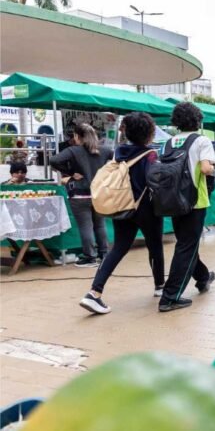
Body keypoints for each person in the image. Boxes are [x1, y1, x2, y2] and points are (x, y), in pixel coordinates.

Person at [79, 113, 164, 315]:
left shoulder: (119, 152)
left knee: (117, 249)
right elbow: (154, 182)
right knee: (155, 245)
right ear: (149, 133)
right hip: (145, 208)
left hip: (122, 206)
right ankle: (160, 286)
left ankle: (94, 292)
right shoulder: (150, 155)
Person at [159, 102, 215, 313]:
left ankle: (203, 278)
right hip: (195, 200)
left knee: (186, 243)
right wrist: (211, 167)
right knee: (186, 246)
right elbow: (205, 168)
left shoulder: (167, 143)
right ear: (197, 120)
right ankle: (170, 296)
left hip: (172, 200)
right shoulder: (202, 141)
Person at [50, 123, 112, 268]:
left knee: (86, 227)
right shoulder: (104, 150)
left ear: (77, 136)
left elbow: (54, 160)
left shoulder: (73, 151)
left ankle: (90, 257)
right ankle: (104, 255)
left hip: (79, 194)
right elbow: (119, 159)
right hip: (98, 193)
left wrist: (70, 173)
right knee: (100, 225)